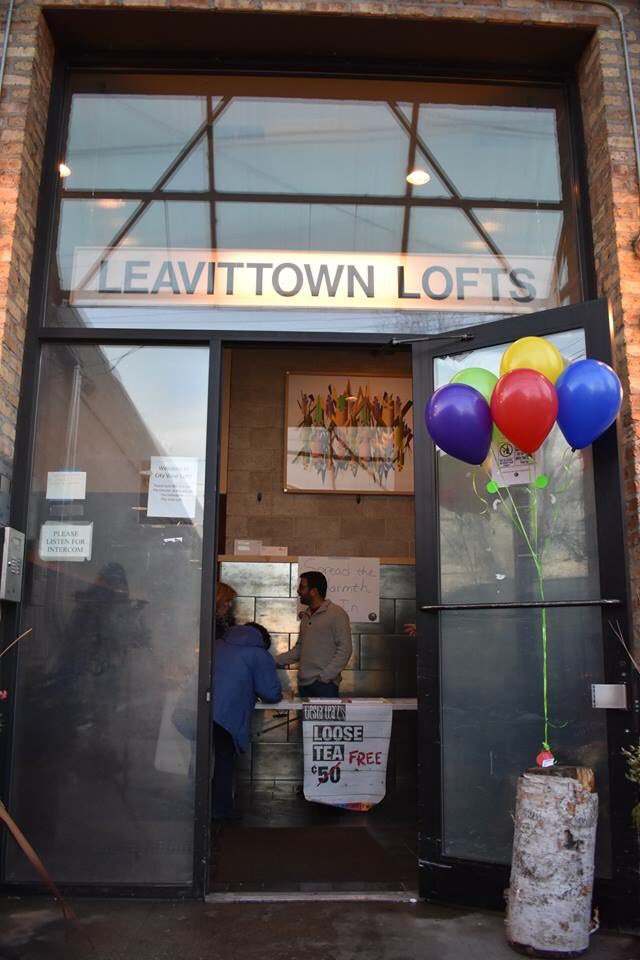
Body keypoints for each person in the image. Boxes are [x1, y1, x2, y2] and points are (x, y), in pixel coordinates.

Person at [212, 621, 282, 820]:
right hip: (226, 716)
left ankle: (196, 807)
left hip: (199, 709)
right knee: (224, 758)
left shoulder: (217, 645)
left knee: (202, 757)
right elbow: (270, 693)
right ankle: (219, 813)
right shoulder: (258, 654)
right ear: (262, 641)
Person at [276, 571, 352, 698]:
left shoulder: (337, 614)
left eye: (302, 587)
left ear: (314, 591)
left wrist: (325, 677)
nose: (298, 591)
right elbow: (299, 650)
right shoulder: (307, 615)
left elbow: (345, 649)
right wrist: (272, 660)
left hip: (325, 685)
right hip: (304, 684)